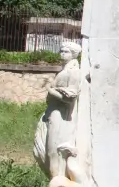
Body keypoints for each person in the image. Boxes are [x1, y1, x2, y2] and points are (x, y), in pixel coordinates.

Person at [33, 42, 82, 179]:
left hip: (60, 114)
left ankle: (57, 183)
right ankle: (54, 182)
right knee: (42, 150)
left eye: (66, 51)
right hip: (52, 111)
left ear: (73, 54)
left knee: (53, 151)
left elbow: (70, 98)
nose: (62, 53)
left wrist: (49, 89)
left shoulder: (73, 72)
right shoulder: (63, 71)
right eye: (61, 51)